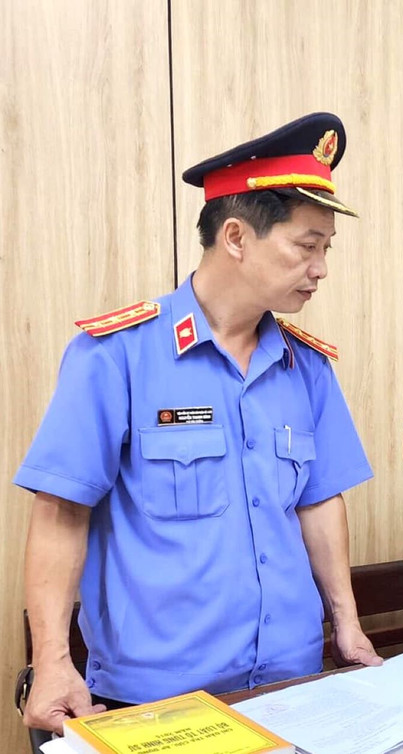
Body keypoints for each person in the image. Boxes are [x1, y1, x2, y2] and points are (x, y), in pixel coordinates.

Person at [16, 113, 381, 734]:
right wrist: (50, 661)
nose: (321, 267)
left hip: (290, 683)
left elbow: (319, 501)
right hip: (160, 700)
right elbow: (61, 511)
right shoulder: (117, 355)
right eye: (307, 246)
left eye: (327, 249)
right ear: (236, 237)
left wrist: (345, 621)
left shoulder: (306, 366)